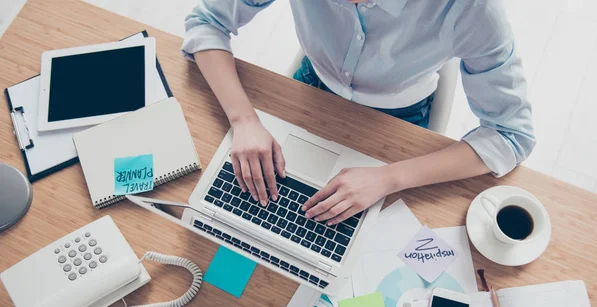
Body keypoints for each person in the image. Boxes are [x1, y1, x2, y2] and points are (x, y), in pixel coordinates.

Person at [182, 0, 535, 226]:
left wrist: (388, 178)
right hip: (309, 90)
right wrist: (243, 119)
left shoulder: (472, 10)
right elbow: (208, 21)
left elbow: (511, 135)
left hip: (398, 123)